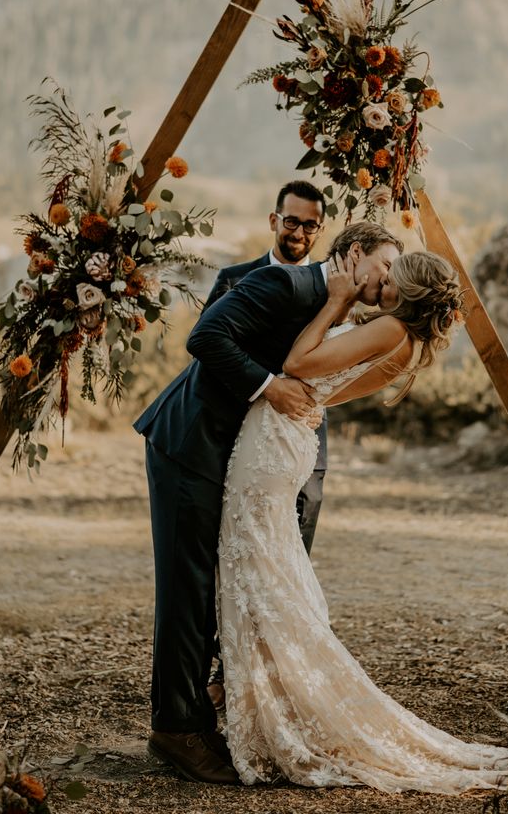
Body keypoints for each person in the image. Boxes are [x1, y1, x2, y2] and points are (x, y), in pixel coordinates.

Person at [215, 246, 508, 793]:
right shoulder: (403, 339)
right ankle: (262, 700)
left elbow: (297, 366)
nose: (382, 276)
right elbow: (326, 391)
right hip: (289, 438)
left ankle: (281, 710)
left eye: (391, 273)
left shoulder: (391, 332)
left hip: (272, 446)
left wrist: (333, 302)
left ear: (405, 291)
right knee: (265, 578)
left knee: (259, 577)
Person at [134, 221, 403, 785]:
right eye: (383, 265)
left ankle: (195, 714)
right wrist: (268, 386)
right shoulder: (282, 285)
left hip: (229, 456)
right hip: (189, 443)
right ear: (354, 255)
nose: (388, 278)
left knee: (210, 583)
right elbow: (205, 338)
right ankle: (176, 730)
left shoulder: (341, 308)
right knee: (188, 586)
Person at [203, 180, 329, 712]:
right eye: (291, 221)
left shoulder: (329, 292)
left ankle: (278, 672)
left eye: (309, 224)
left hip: (301, 439)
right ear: (273, 220)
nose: (298, 231)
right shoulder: (234, 279)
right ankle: (222, 670)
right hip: (241, 436)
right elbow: (209, 355)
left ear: (320, 231)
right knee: (232, 554)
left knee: (291, 548)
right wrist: (262, 392)